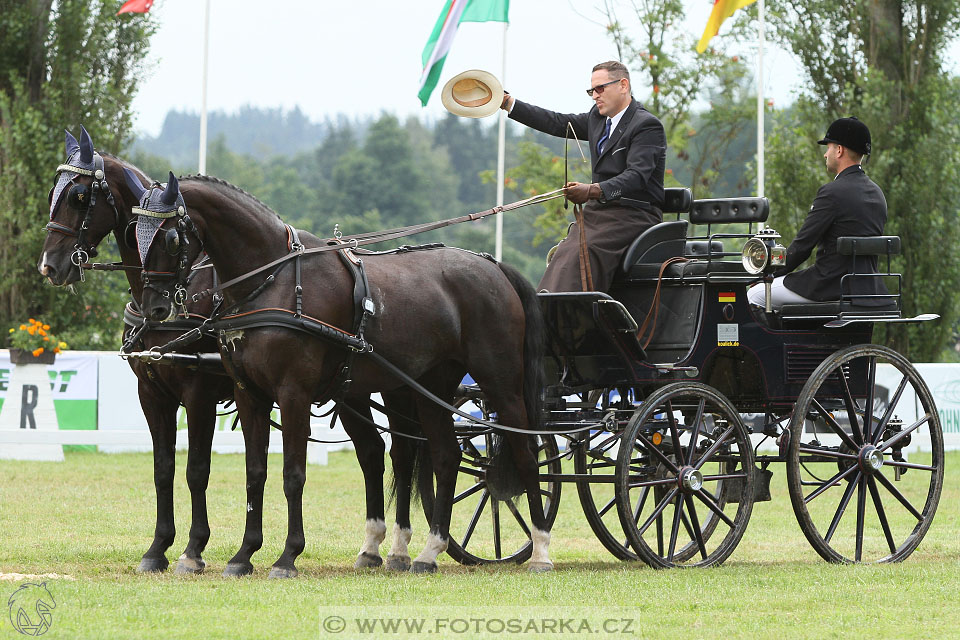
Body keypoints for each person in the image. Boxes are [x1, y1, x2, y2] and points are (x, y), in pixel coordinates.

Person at [501, 61, 666, 292]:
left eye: (600, 89)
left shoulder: (646, 125)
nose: (595, 96)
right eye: (591, 91)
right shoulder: (596, 119)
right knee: (562, 254)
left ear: (623, 85)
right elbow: (557, 122)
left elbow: (636, 176)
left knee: (584, 251)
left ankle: (578, 319)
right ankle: (549, 312)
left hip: (635, 214)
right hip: (598, 214)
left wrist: (592, 190)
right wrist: (508, 103)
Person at [747, 116, 888, 309]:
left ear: (839, 150)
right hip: (869, 289)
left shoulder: (832, 193)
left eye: (828, 147)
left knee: (755, 294)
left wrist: (766, 276)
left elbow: (802, 247)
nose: (825, 154)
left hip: (829, 285)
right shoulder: (877, 194)